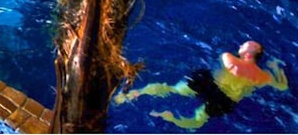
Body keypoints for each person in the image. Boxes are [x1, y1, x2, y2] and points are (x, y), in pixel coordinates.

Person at [113, 40, 288, 129]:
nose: (241, 45)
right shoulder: (262, 77)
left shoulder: (228, 57)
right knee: (197, 122)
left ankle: (133, 94)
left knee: (172, 89)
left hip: (208, 83)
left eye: (244, 46)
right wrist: (276, 68)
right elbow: (283, 86)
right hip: (225, 99)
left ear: (248, 54)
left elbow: (215, 66)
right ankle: (171, 118)